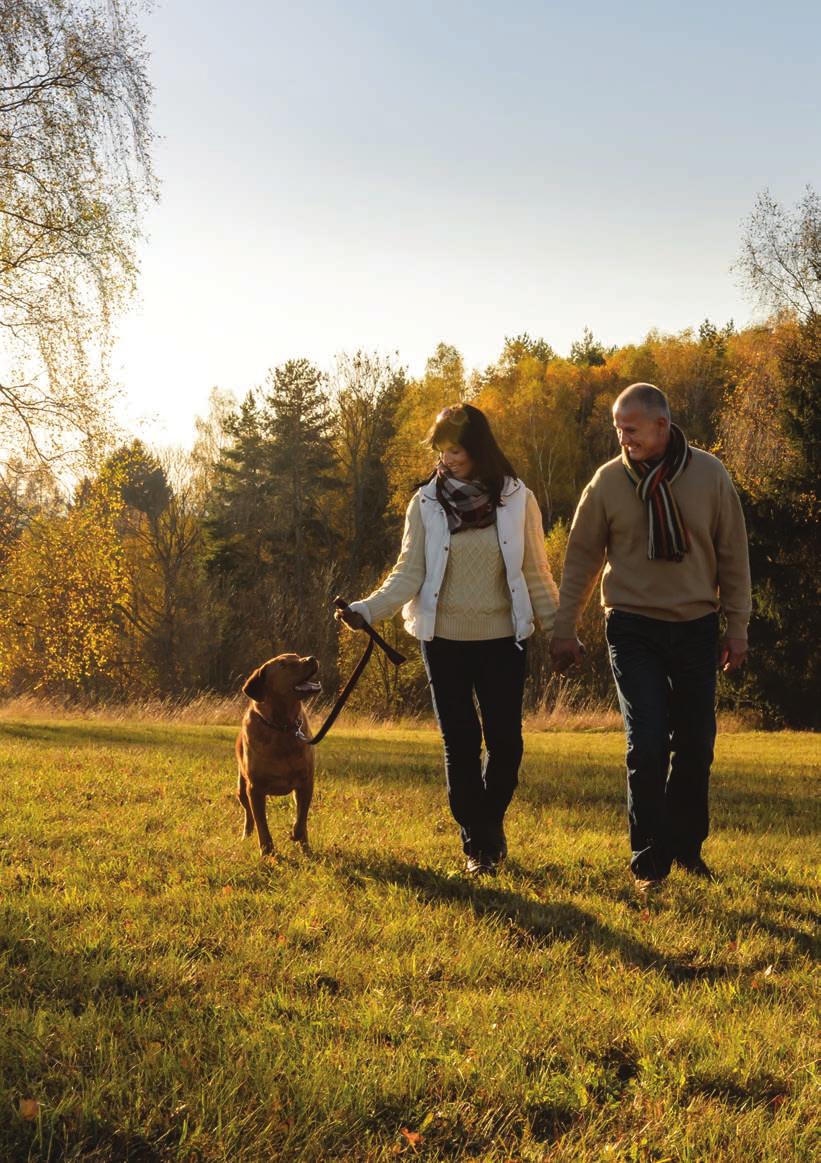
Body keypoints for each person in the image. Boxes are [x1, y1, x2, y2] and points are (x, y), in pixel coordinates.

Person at [337, 403, 559, 875]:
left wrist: (563, 633)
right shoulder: (426, 503)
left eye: (456, 449)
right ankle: (479, 847)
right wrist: (366, 610)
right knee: (460, 742)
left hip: (503, 640)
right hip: (444, 642)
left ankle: (487, 827)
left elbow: (537, 573)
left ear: (479, 447)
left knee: (506, 744)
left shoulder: (519, 499)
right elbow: (408, 573)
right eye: (442, 449)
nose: (448, 458)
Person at [550, 383, 751, 895]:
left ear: (662, 426)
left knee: (696, 743)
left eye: (631, 429)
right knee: (646, 742)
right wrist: (565, 627)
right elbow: (581, 559)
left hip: (695, 625)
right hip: (632, 625)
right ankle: (647, 859)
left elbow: (733, 555)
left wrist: (737, 627)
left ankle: (685, 849)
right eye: (618, 429)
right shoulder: (607, 482)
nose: (623, 438)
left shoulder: (710, 474)